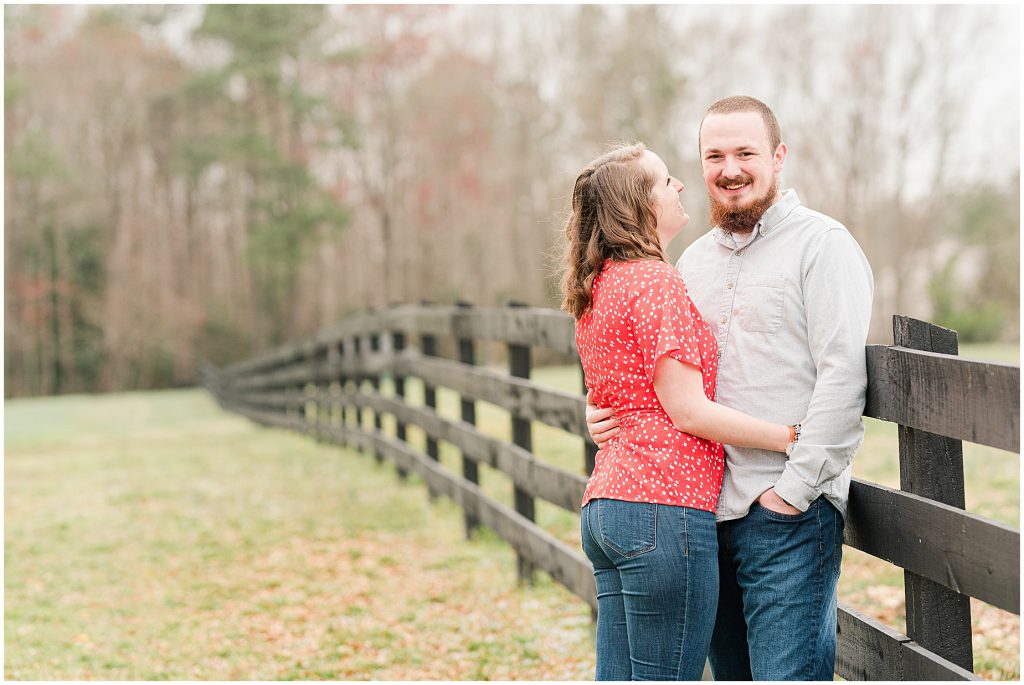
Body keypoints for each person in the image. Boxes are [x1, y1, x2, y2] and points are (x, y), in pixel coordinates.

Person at [586, 97, 874, 680]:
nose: (730, 169)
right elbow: (654, 374)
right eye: (714, 156)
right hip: (702, 516)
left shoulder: (822, 245)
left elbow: (843, 376)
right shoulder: (688, 264)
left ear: (778, 156)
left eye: (746, 153)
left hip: (786, 514)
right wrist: (600, 413)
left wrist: (794, 491)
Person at [562, 142, 804, 681]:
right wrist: (790, 435)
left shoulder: (599, 285)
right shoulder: (654, 281)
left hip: (607, 508)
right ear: (640, 205)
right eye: (665, 181)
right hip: (662, 509)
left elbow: (620, 391)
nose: (678, 187)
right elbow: (688, 411)